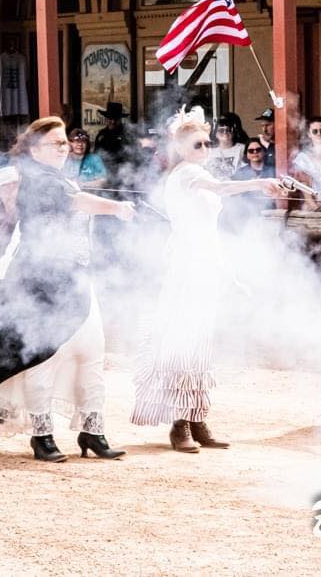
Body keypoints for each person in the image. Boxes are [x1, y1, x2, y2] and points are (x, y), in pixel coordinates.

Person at [0, 116, 136, 462]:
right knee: (41, 360)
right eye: (56, 143)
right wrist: (117, 208)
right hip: (41, 283)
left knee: (92, 357)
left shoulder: (58, 178)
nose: (64, 147)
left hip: (76, 280)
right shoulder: (37, 180)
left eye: (65, 142)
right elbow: (77, 202)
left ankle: (93, 431)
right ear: (35, 150)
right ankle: (42, 436)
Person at [131, 106, 282, 451]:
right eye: (198, 145)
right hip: (187, 265)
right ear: (181, 149)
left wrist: (227, 272)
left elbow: (210, 229)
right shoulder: (184, 174)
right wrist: (259, 182)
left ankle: (197, 417)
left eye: (206, 143)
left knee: (202, 343)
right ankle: (179, 422)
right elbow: (220, 187)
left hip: (205, 262)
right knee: (184, 342)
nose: (205, 149)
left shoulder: (195, 174)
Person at [291, 116, 321, 210]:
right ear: (309, 134)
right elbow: (304, 187)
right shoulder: (303, 158)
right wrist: (316, 207)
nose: (319, 133)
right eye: (315, 131)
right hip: (311, 204)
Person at [94, 102, 138, 190]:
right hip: (106, 177)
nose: (113, 121)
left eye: (116, 118)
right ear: (106, 119)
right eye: (110, 118)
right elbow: (96, 157)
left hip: (124, 178)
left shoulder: (128, 134)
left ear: (120, 119)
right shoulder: (101, 135)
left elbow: (135, 157)